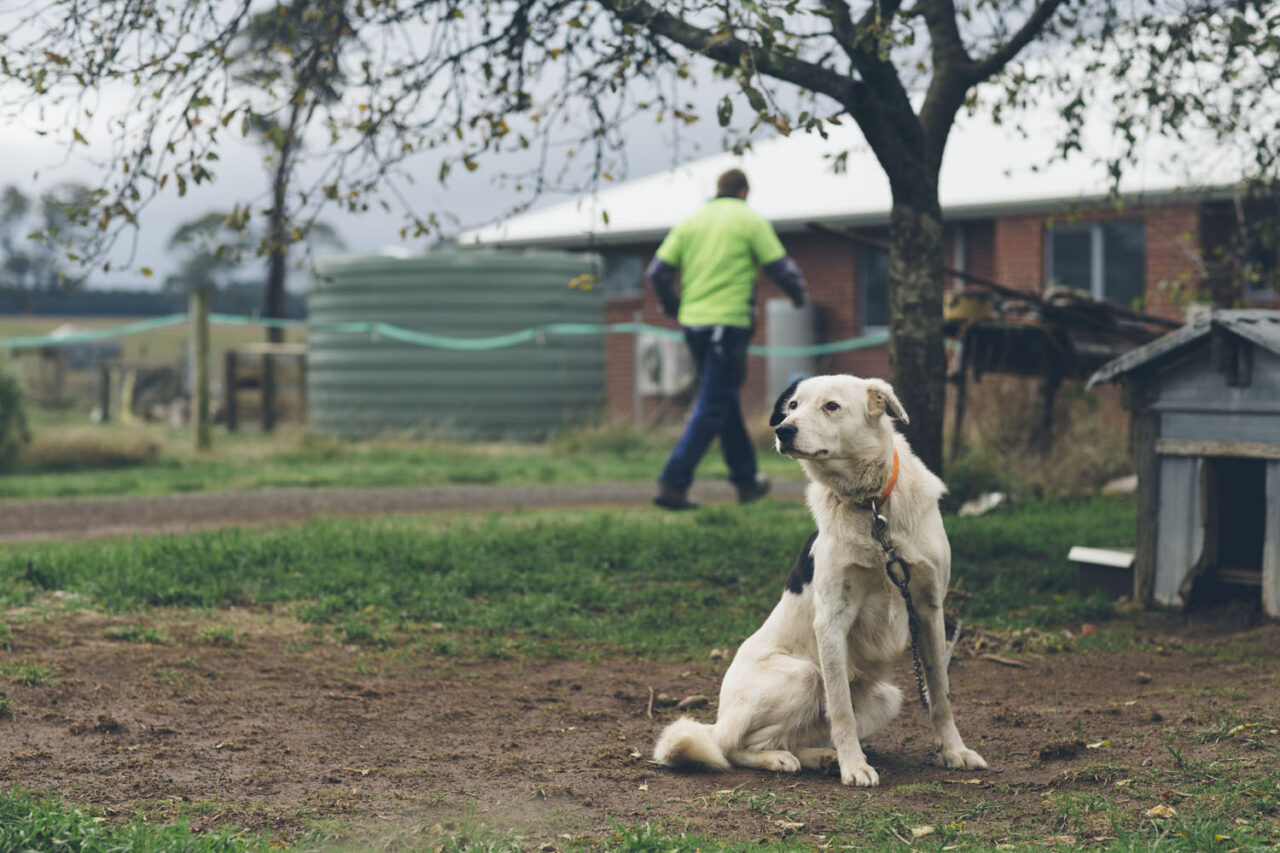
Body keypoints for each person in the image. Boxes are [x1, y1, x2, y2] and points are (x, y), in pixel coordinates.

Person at [646, 168, 809, 511]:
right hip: (728, 325)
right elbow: (780, 266)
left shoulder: (691, 222)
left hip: (695, 326)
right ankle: (672, 483)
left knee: (723, 399)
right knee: (713, 402)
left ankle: (747, 480)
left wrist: (674, 306)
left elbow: (657, 272)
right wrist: (798, 295)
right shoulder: (748, 220)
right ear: (744, 191)